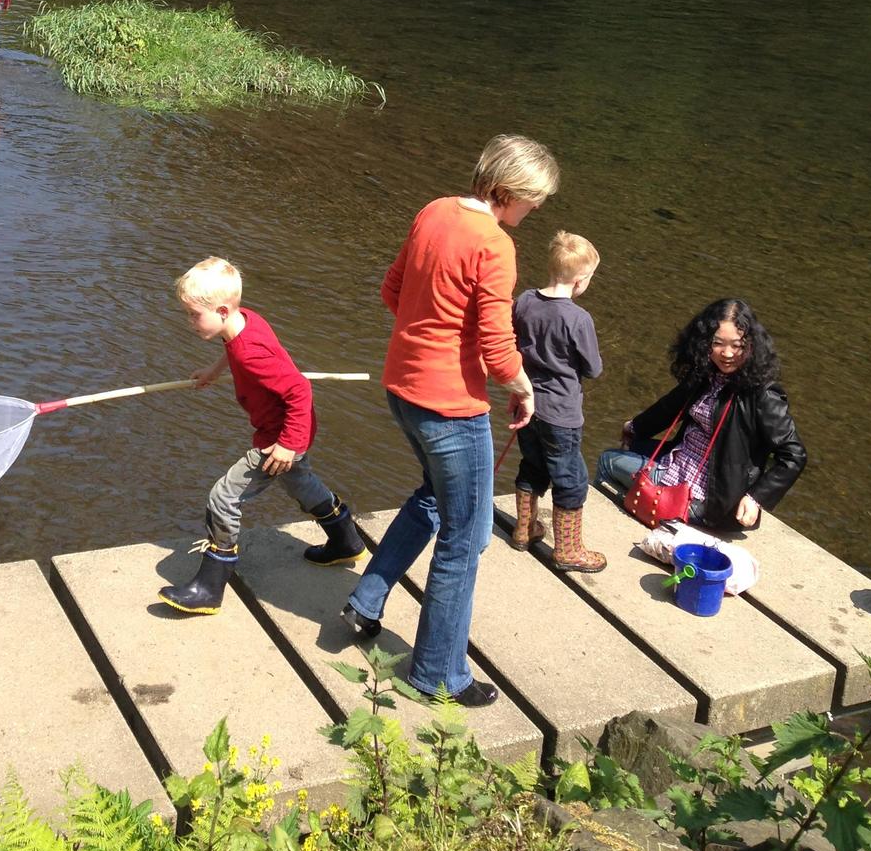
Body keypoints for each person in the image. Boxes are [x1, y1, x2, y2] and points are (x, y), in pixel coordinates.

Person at [339, 134, 559, 708]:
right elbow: (496, 341)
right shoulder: (495, 245)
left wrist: (428, 334)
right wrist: (521, 388)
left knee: (435, 499)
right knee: (466, 538)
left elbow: (393, 290)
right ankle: (437, 673)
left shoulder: (433, 211)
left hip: (403, 392)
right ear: (510, 191)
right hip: (450, 411)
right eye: (534, 201)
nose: (534, 212)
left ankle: (366, 600)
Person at [158, 256, 364, 615]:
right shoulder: (244, 322)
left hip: (279, 436)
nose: (189, 322)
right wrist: (213, 370)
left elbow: (299, 390)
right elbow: (232, 347)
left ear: (222, 310)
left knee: (223, 497)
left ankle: (209, 586)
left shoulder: (252, 352)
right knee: (299, 483)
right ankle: (346, 541)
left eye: (194, 315)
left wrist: (287, 445)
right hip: (289, 432)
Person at [594, 298, 806, 532]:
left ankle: (599, 525)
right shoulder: (707, 374)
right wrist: (634, 427)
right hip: (681, 464)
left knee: (608, 460)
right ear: (704, 342)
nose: (726, 354)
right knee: (632, 447)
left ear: (751, 345)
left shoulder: (764, 394)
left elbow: (794, 455)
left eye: (737, 345)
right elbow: (669, 407)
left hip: (710, 497)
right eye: (717, 344)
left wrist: (755, 498)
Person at [511, 231, 605, 572]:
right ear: (580, 281)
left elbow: (510, 340)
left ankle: (524, 530)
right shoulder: (578, 319)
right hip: (561, 413)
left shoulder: (523, 301)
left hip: (527, 404)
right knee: (571, 478)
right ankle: (567, 551)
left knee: (532, 465)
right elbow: (593, 368)